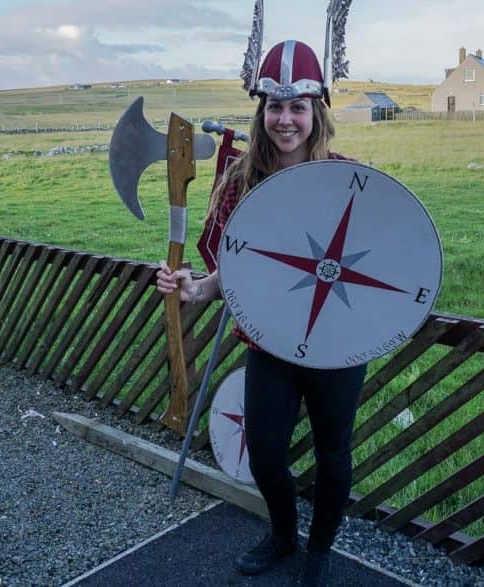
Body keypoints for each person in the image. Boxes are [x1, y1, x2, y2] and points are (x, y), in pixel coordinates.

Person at [156, 40, 365, 587]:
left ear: (316, 113)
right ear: (262, 112)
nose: (285, 119)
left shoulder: (350, 178)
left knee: (332, 453)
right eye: (276, 107)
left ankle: (319, 551)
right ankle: (282, 534)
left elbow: (383, 261)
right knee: (267, 454)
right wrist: (196, 290)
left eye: (298, 108)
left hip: (337, 341)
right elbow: (237, 267)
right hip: (269, 340)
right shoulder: (239, 180)